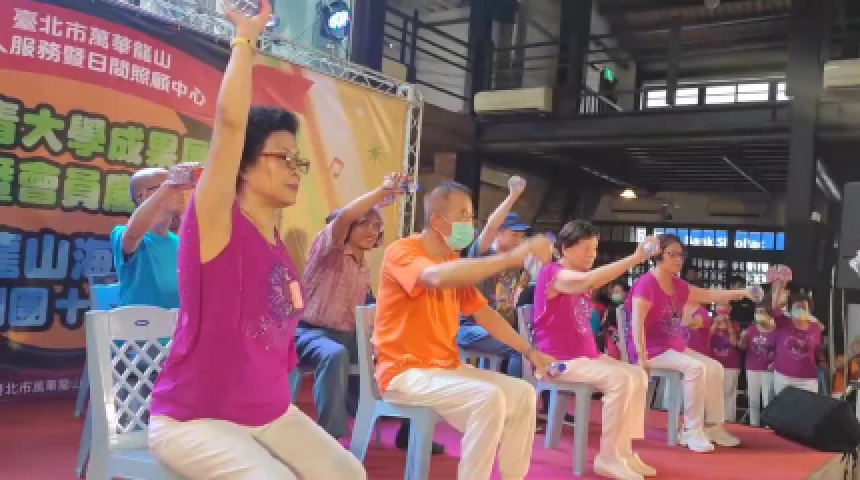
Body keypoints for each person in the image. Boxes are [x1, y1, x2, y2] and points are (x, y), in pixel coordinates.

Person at [147, 3, 366, 478]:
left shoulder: (278, 246)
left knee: (349, 473)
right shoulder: (217, 223)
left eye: (298, 160)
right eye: (282, 157)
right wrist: (246, 39)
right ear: (243, 167)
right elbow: (229, 129)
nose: (295, 169)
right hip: (194, 419)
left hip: (267, 415)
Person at [374, 181, 555, 480]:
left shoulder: (452, 259)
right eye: (464, 216)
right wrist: (512, 257)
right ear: (437, 221)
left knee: (523, 394)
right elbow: (435, 277)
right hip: (404, 371)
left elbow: (483, 312)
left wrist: (530, 351)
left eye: (471, 217)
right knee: (488, 398)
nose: (470, 225)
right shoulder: (402, 251)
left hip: (447, 368)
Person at [294, 173, 443, 453]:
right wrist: (382, 191)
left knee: (410, 350)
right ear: (348, 228)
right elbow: (344, 217)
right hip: (310, 333)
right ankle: (330, 439)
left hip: (349, 336)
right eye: (364, 223)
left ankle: (409, 431)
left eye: (377, 226)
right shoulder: (328, 251)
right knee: (334, 354)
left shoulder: (363, 267)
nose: (372, 230)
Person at [533, 220, 654, 480]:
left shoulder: (579, 277)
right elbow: (587, 280)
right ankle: (607, 457)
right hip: (557, 360)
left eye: (595, 248)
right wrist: (635, 258)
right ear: (565, 248)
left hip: (586, 357)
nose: (592, 254)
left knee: (637, 375)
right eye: (585, 248)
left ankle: (623, 451)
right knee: (620, 379)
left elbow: (588, 281)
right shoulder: (553, 273)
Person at [627, 233, 753, 453]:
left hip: (672, 347)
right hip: (650, 349)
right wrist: (641, 356)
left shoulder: (677, 284)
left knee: (715, 367)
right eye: (672, 254)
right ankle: (691, 430)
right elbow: (636, 322)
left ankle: (712, 426)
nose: (678, 259)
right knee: (695, 367)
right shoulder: (646, 283)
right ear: (658, 255)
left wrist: (742, 292)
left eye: (681, 255)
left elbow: (708, 294)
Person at [457, 176, 529, 378]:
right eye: (514, 234)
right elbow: (490, 227)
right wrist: (513, 196)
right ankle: (517, 394)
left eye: (522, 236)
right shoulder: (483, 254)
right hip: (469, 329)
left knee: (528, 342)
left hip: (495, 327)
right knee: (519, 347)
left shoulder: (515, 263)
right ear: (498, 234)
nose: (519, 240)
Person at [110, 167, 186, 308]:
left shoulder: (179, 243)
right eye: (173, 187)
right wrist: (168, 187)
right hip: (139, 321)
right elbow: (132, 235)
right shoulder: (121, 233)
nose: (180, 192)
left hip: (175, 321)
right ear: (143, 196)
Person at [771, 289, 823, 394]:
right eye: (797, 307)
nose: (800, 309)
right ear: (790, 310)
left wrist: (822, 361)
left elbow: (817, 348)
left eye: (803, 307)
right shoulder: (783, 322)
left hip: (807, 379)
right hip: (783, 377)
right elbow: (775, 309)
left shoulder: (816, 328)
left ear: (809, 311)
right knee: (784, 404)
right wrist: (778, 289)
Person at [739, 305, 776, 427]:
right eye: (757, 312)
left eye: (762, 312)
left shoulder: (776, 330)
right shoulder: (751, 329)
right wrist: (743, 338)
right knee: (753, 400)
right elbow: (742, 347)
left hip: (768, 370)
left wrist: (775, 363)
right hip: (752, 368)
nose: (759, 314)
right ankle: (754, 425)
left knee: (768, 400)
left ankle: (769, 426)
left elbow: (781, 350)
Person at [709, 305, 742, 422]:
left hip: (731, 364)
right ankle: (713, 418)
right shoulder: (710, 322)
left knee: (729, 392)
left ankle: (729, 419)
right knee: (713, 392)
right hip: (714, 363)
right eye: (720, 305)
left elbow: (735, 343)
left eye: (725, 306)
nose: (722, 309)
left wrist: (729, 326)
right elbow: (706, 338)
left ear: (729, 309)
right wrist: (715, 324)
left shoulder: (735, 324)